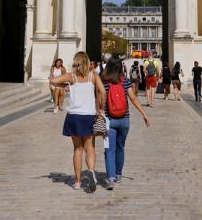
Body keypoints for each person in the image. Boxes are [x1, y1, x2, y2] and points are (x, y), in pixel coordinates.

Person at [50, 51, 105, 192]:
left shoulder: (71, 76)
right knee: (90, 147)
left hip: (73, 116)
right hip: (88, 116)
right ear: (87, 62)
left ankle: (77, 181)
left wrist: (66, 87)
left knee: (77, 149)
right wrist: (101, 108)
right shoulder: (93, 76)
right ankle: (91, 171)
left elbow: (53, 81)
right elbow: (103, 92)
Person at [101, 57, 150, 190]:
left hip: (109, 121)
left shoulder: (104, 82)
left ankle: (110, 179)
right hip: (124, 120)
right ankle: (118, 175)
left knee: (109, 150)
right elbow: (133, 98)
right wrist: (144, 114)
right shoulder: (125, 81)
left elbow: (100, 100)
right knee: (120, 147)